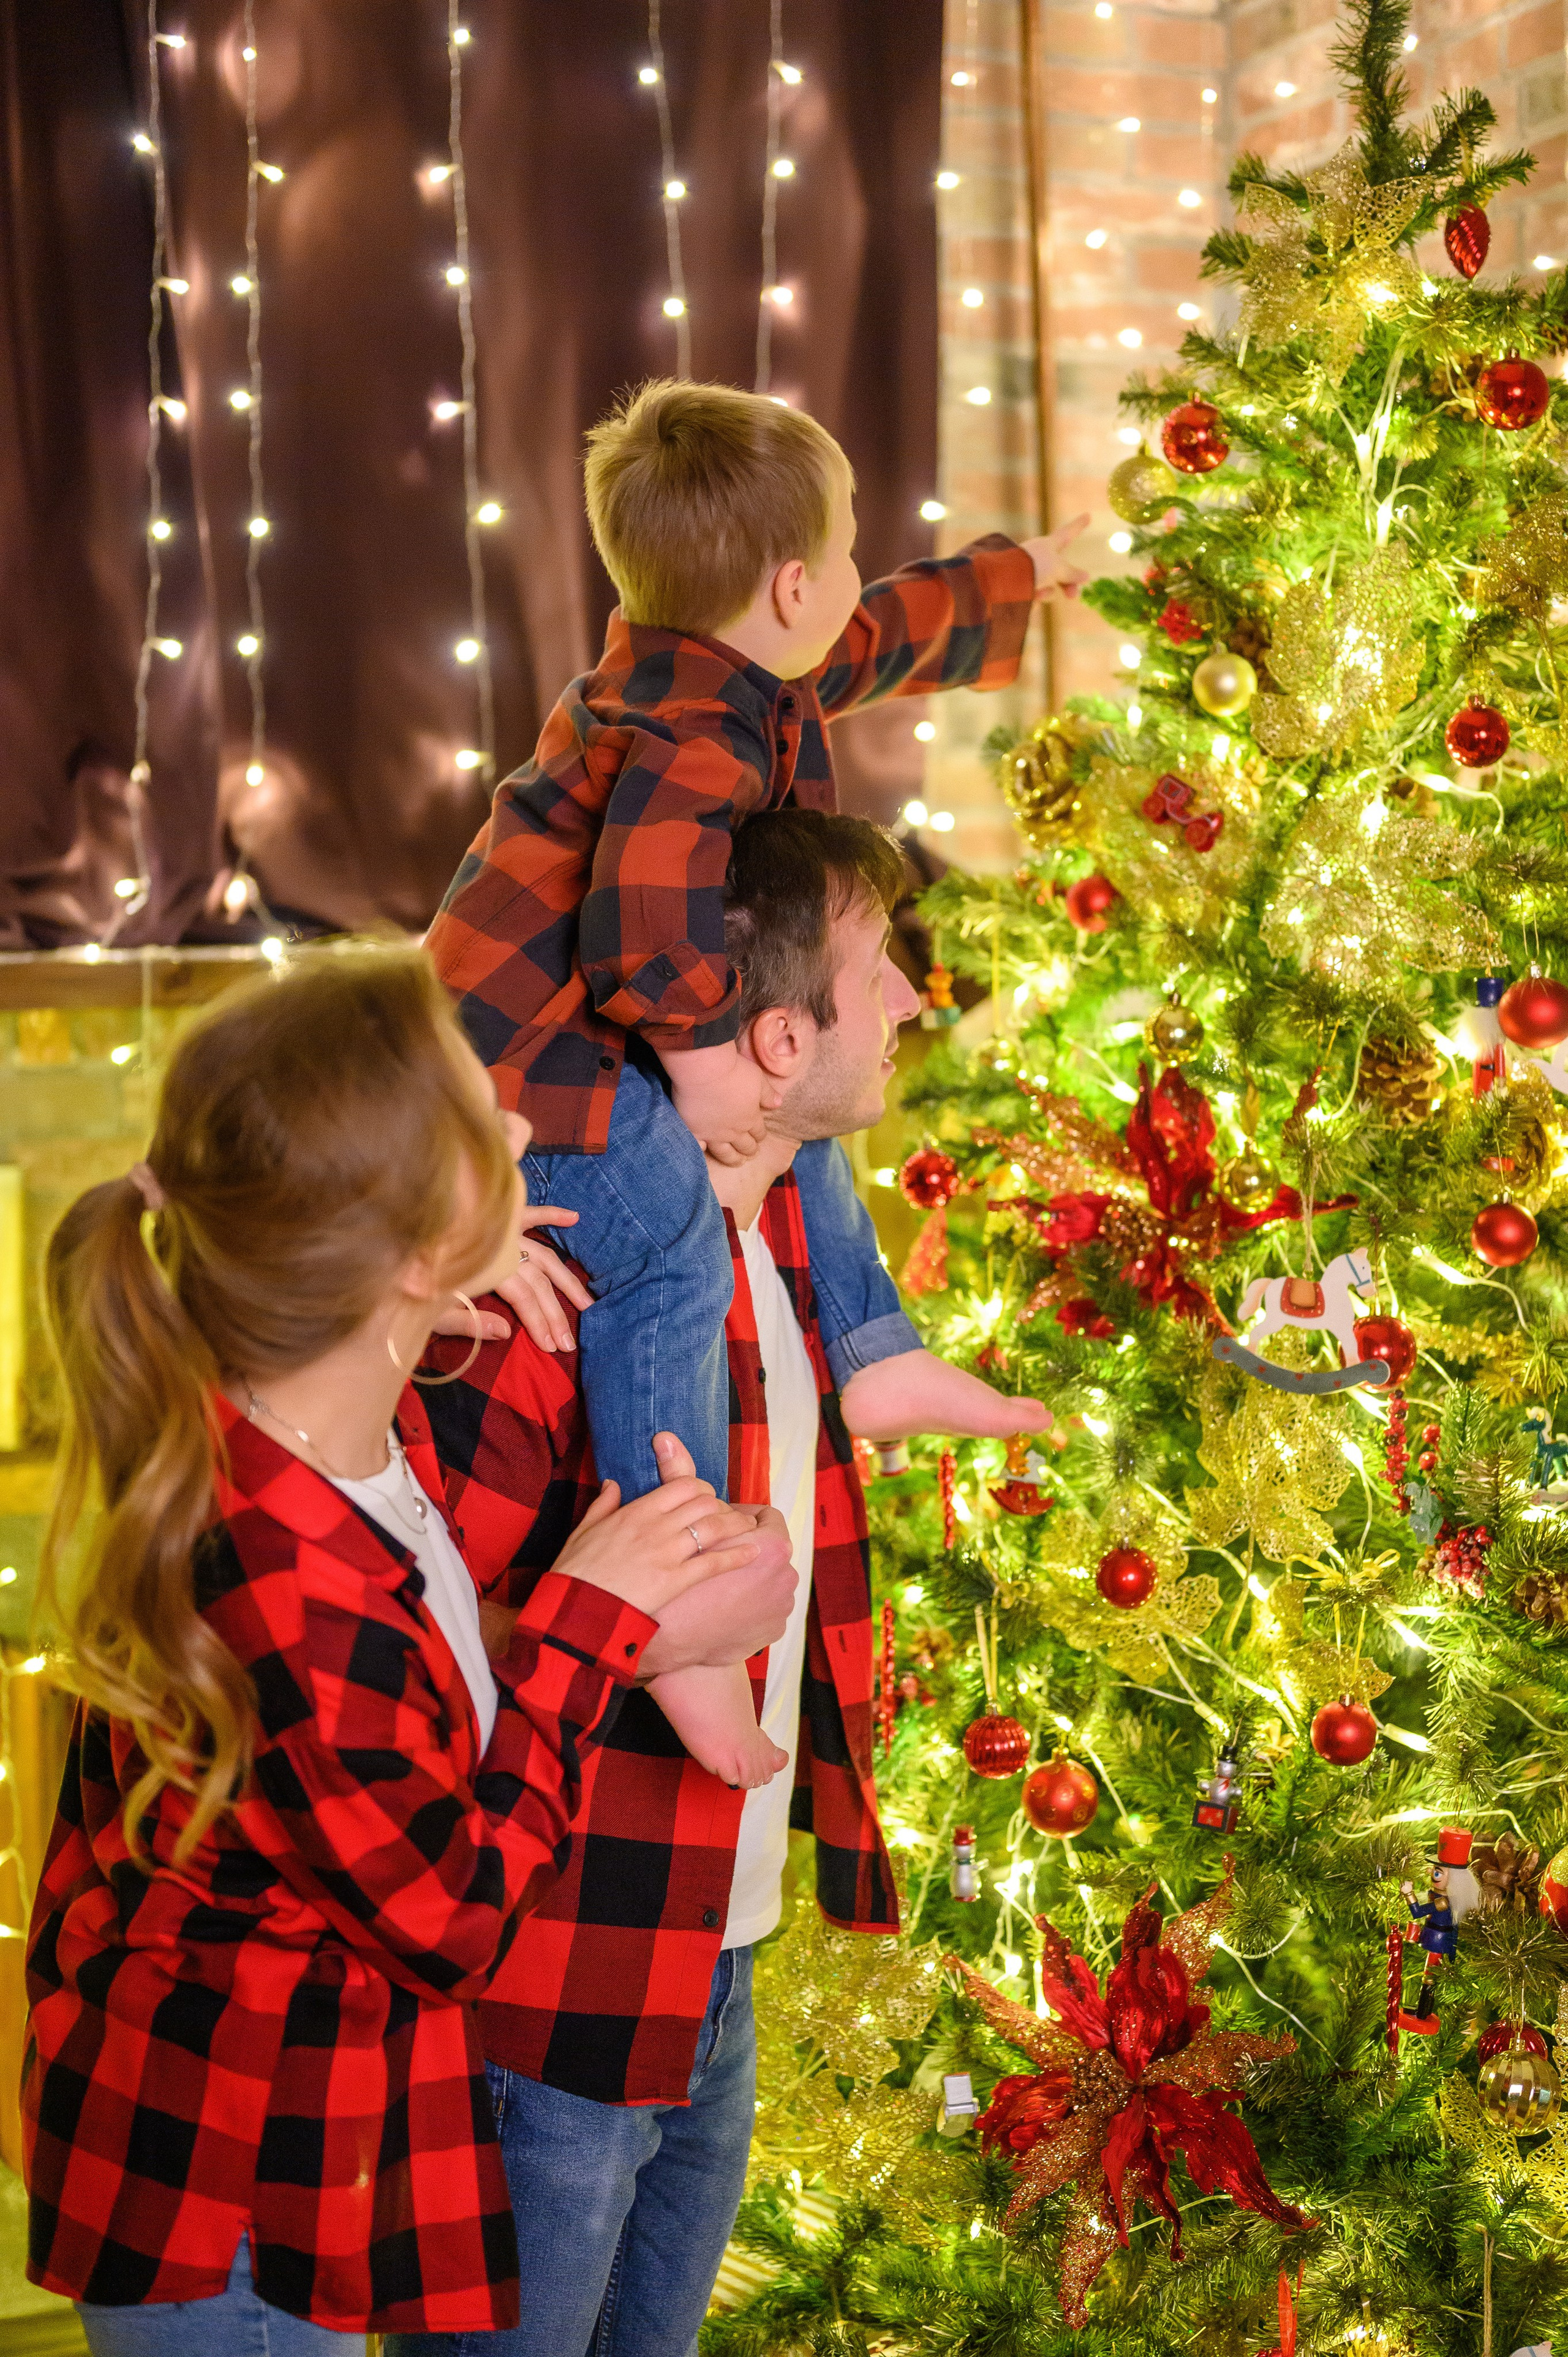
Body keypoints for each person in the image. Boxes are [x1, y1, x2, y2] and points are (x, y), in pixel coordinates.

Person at [21, 949, 791, 2356]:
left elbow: (406, 1682)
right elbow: (447, 1916)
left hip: (299, 2145)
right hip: (226, 2201)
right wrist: (585, 1623)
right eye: (474, 1121)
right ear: (398, 1246)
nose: (516, 1126)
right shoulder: (277, 1561)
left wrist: (392, 1316)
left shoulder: (318, 1409)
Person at [389, 809, 1046, 2357]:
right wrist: (620, 1629)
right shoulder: (548, 1285)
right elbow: (410, 1638)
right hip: (549, 1995)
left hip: (717, 1953)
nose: (908, 1003)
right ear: (771, 1038)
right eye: (875, 973)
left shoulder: (788, 1250)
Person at [426, 378, 1082, 1536]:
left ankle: (870, 1350)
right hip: (529, 1057)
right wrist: (708, 1059)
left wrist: (1010, 577)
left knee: (811, 1116)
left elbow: (867, 636)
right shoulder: (690, 732)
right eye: (845, 549)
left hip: (600, 1011)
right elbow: (640, 919)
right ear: (791, 587)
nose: (851, 574)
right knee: (675, 1244)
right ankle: (678, 1538)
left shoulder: (730, 665)